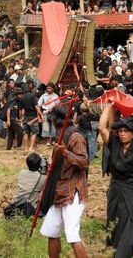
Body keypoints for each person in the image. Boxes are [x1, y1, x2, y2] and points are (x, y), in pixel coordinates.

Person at [98, 103, 133, 258]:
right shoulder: (114, 143)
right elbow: (102, 128)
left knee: (131, 218)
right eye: (120, 131)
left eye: (126, 131)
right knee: (114, 216)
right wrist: (109, 107)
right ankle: (114, 247)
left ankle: (125, 251)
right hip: (116, 187)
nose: (122, 134)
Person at [40, 106, 89, 258]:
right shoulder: (60, 136)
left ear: (55, 120)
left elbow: (84, 162)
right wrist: (44, 190)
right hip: (58, 190)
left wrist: (66, 152)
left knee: (72, 234)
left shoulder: (76, 137)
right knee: (51, 230)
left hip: (72, 191)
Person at [19, 85, 43, 152]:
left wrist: (21, 118)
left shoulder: (22, 98)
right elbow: (36, 106)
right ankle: (31, 147)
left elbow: (20, 110)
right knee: (34, 132)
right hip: (33, 117)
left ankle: (26, 147)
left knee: (26, 132)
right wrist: (41, 114)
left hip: (26, 117)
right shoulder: (32, 96)